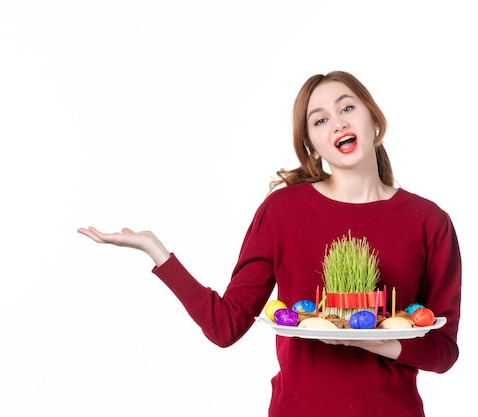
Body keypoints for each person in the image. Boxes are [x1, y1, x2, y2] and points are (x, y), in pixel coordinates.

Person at [77, 71, 462, 416]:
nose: (338, 122)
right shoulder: (283, 212)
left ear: (374, 120)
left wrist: (371, 341)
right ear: (311, 144)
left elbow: (443, 352)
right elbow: (225, 327)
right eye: (320, 120)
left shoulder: (430, 221)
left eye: (347, 107)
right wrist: (156, 250)